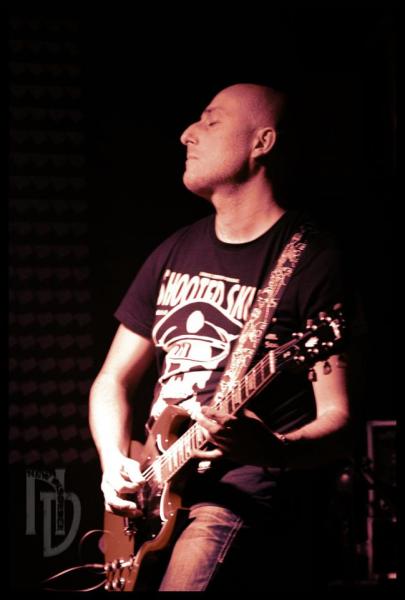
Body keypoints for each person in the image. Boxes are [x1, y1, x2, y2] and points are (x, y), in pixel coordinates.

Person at [89, 83, 357, 592]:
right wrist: (113, 464)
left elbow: (340, 420)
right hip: (154, 487)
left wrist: (274, 449)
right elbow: (112, 381)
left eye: (211, 121)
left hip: (239, 492)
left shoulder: (312, 260)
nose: (187, 133)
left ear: (262, 143)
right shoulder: (174, 249)